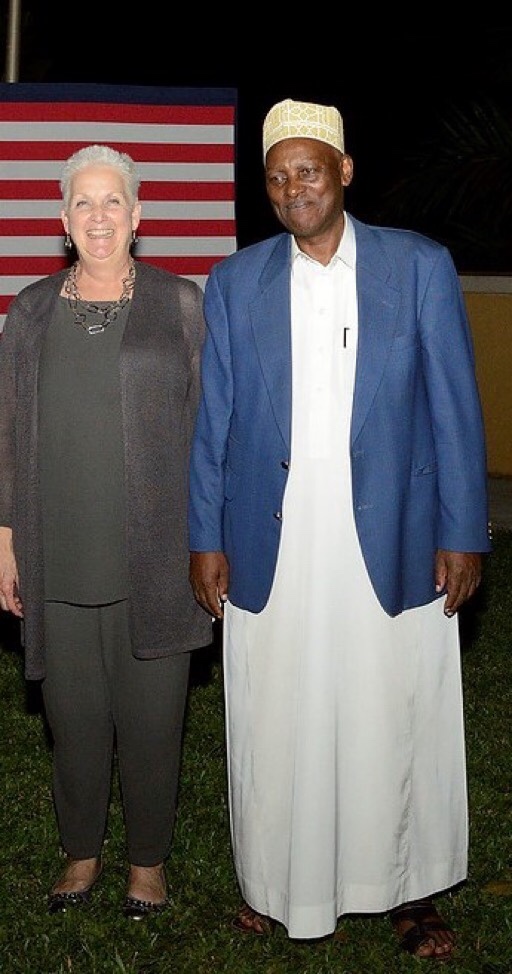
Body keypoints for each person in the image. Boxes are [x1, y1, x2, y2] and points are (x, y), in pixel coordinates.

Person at [188, 99, 492, 960]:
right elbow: (215, 421)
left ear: (344, 171)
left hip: (393, 533)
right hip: (272, 536)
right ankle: (275, 884)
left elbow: (455, 409)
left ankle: (410, 891)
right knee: (274, 710)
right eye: (277, 177)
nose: (294, 189)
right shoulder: (237, 281)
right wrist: (205, 536)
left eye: (309, 171)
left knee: (394, 706)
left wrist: (463, 532)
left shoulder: (418, 266)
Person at [0, 144, 212, 919]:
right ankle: (81, 851)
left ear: (137, 214)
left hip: (155, 557)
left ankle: (147, 861)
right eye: (83, 202)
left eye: (112, 200)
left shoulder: (180, 303)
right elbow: (7, 432)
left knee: (153, 722)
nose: (98, 215)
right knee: (74, 720)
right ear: (63, 219)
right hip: (55, 555)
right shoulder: (29, 312)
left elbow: (210, 431)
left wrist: (213, 541)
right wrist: (4, 541)